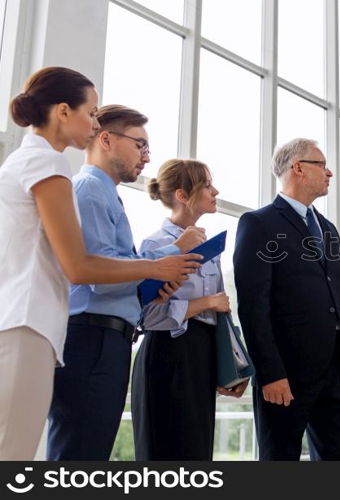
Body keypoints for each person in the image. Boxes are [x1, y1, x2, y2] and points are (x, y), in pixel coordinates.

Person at [0, 67, 199, 460]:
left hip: (33, 324)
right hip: (31, 323)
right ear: (62, 111)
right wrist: (155, 267)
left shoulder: (34, 163)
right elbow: (80, 266)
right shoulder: (50, 166)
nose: (93, 123)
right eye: (90, 113)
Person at [47, 105, 207, 461]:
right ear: (106, 139)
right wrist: (160, 263)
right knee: (79, 454)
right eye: (140, 145)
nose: (147, 158)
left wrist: (151, 282)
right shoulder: (89, 190)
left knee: (90, 450)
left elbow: (115, 273)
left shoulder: (106, 194)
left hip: (108, 337)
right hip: (92, 339)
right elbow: (98, 277)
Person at [234, 138, 340, 460]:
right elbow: (253, 307)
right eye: (321, 165)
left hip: (333, 372)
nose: (329, 173)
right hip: (286, 374)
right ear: (297, 168)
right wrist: (270, 373)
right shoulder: (258, 223)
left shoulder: (325, 227)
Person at [132, 159, 247, 460]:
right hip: (167, 356)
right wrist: (205, 303)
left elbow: (220, 313)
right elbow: (146, 316)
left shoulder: (209, 247)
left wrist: (235, 366)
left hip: (201, 354)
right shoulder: (154, 245)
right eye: (207, 185)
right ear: (183, 195)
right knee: (165, 452)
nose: (215, 191)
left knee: (197, 452)